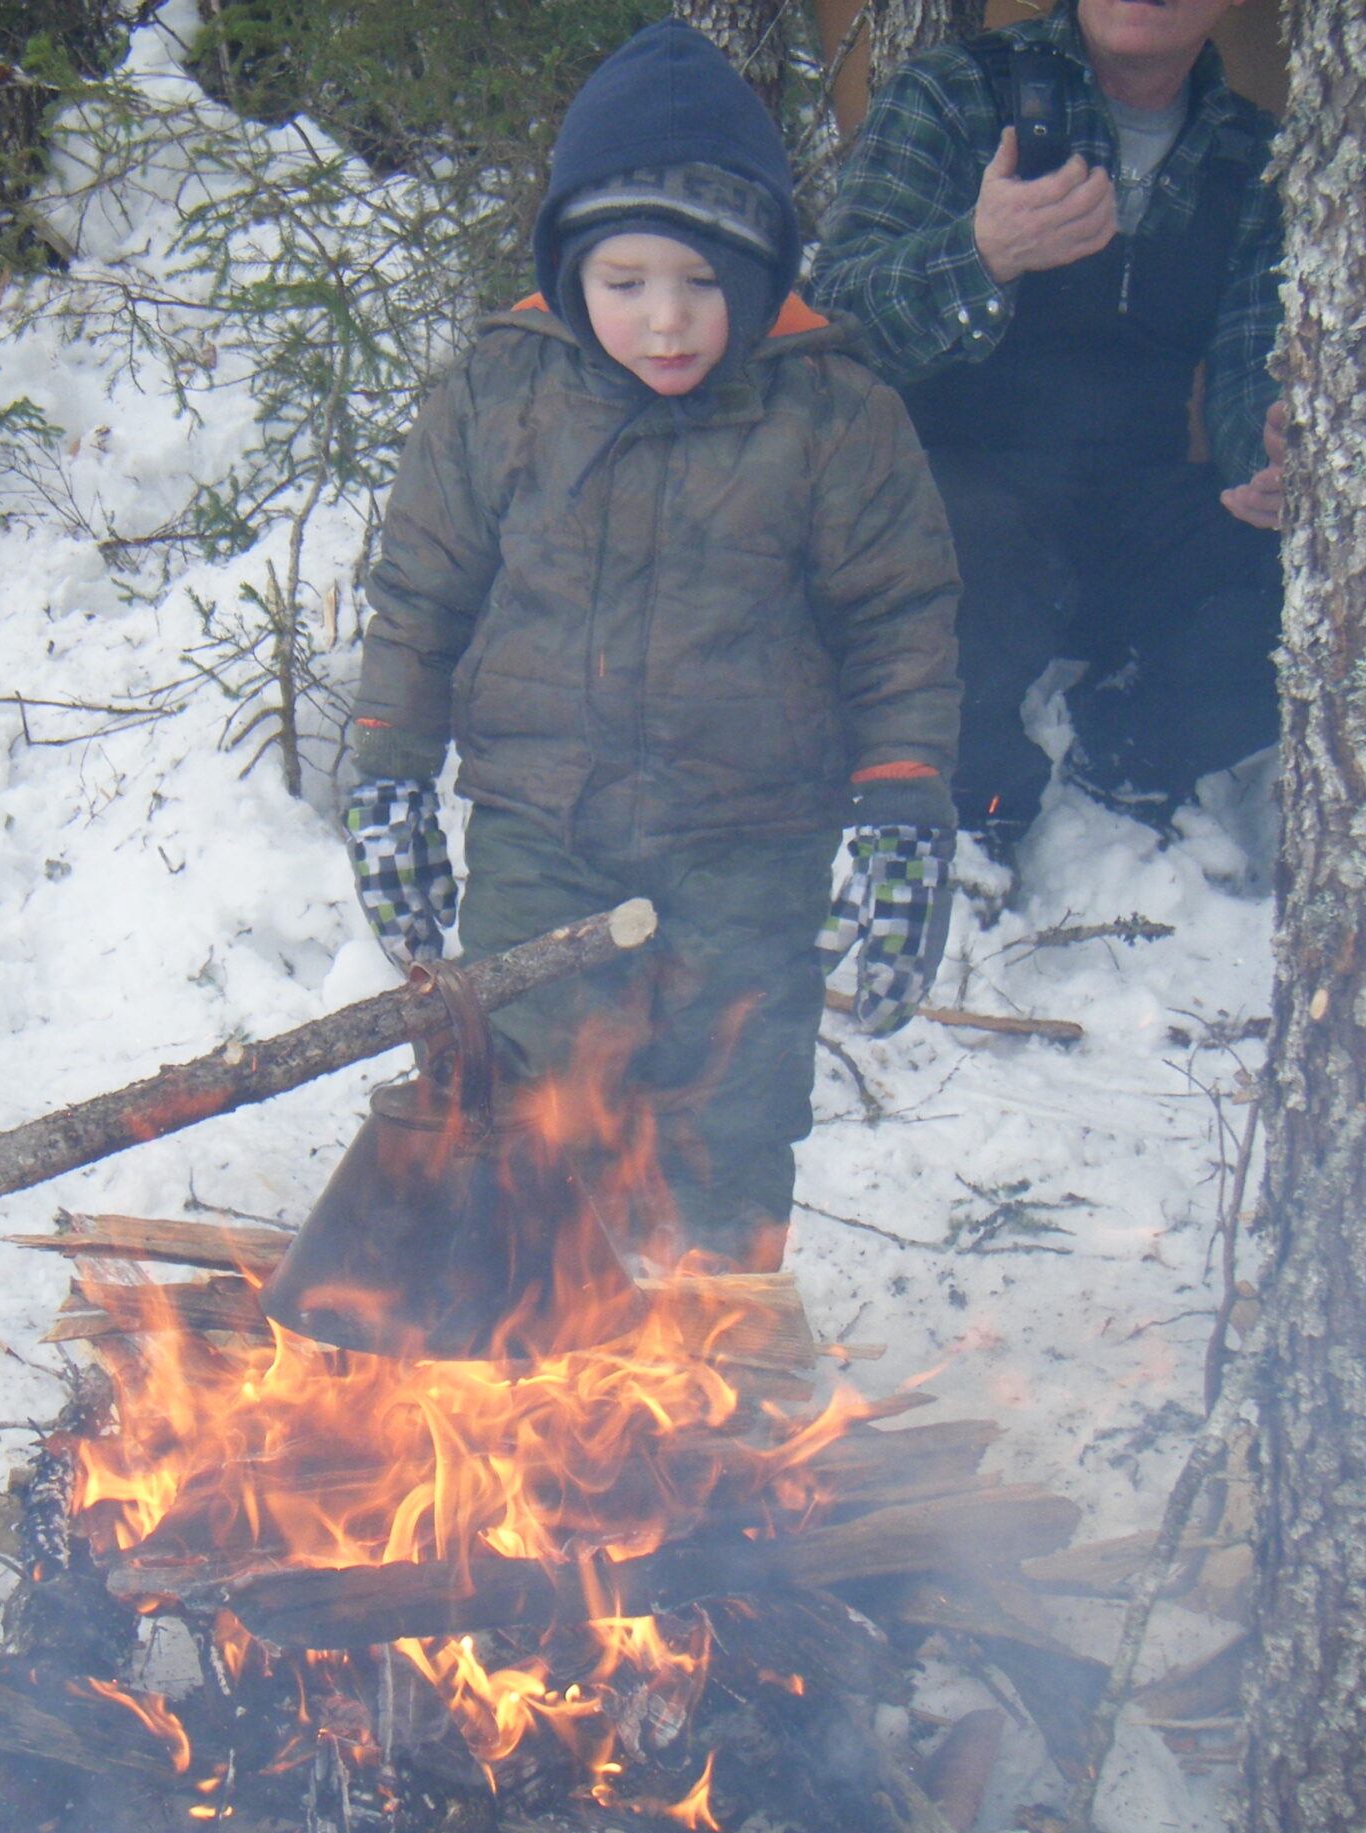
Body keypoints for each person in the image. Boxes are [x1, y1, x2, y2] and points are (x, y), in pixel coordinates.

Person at [339, 19, 963, 1274]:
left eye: (701, 283)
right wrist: (388, 779)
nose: (666, 322)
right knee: (525, 1099)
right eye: (626, 284)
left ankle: (718, 1360)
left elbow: (899, 625)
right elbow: (420, 598)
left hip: (751, 840)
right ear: (572, 274)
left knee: (729, 1110)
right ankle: (536, 1356)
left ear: (765, 271)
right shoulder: (500, 395)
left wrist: (902, 824)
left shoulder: (832, 413)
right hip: (540, 831)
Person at [809, 0, 1288, 856]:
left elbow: (1252, 365)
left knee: (1303, 562)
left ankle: (1126, 758)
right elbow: (834, 325)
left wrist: (1270, 459)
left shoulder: (1253, 156)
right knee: (962, 533)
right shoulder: (956, 95)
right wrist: (982, 254)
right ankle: (972, 811)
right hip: (957, 512)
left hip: (1122, 512)